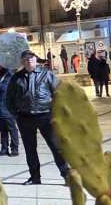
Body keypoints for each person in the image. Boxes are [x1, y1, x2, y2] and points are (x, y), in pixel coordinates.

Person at [8, 50, 70, 185]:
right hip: (25, 118)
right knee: (30, 150)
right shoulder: (16, 78)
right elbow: (9, 99)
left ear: (36, 60)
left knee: (56, 147)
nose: (28, 60)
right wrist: (16, 115)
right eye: (25, 59)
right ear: (22, 62)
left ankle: (67, 175)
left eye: (31, 58)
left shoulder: (47, 74)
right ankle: (35, 177)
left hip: (46, 116)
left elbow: (60, 94)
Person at [0, 65, 20, 156]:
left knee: (12, 129)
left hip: (7, 107)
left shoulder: (10, 75)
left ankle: (14, 149)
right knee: (2, 129)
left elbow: (3, 87)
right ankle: (4, 148)